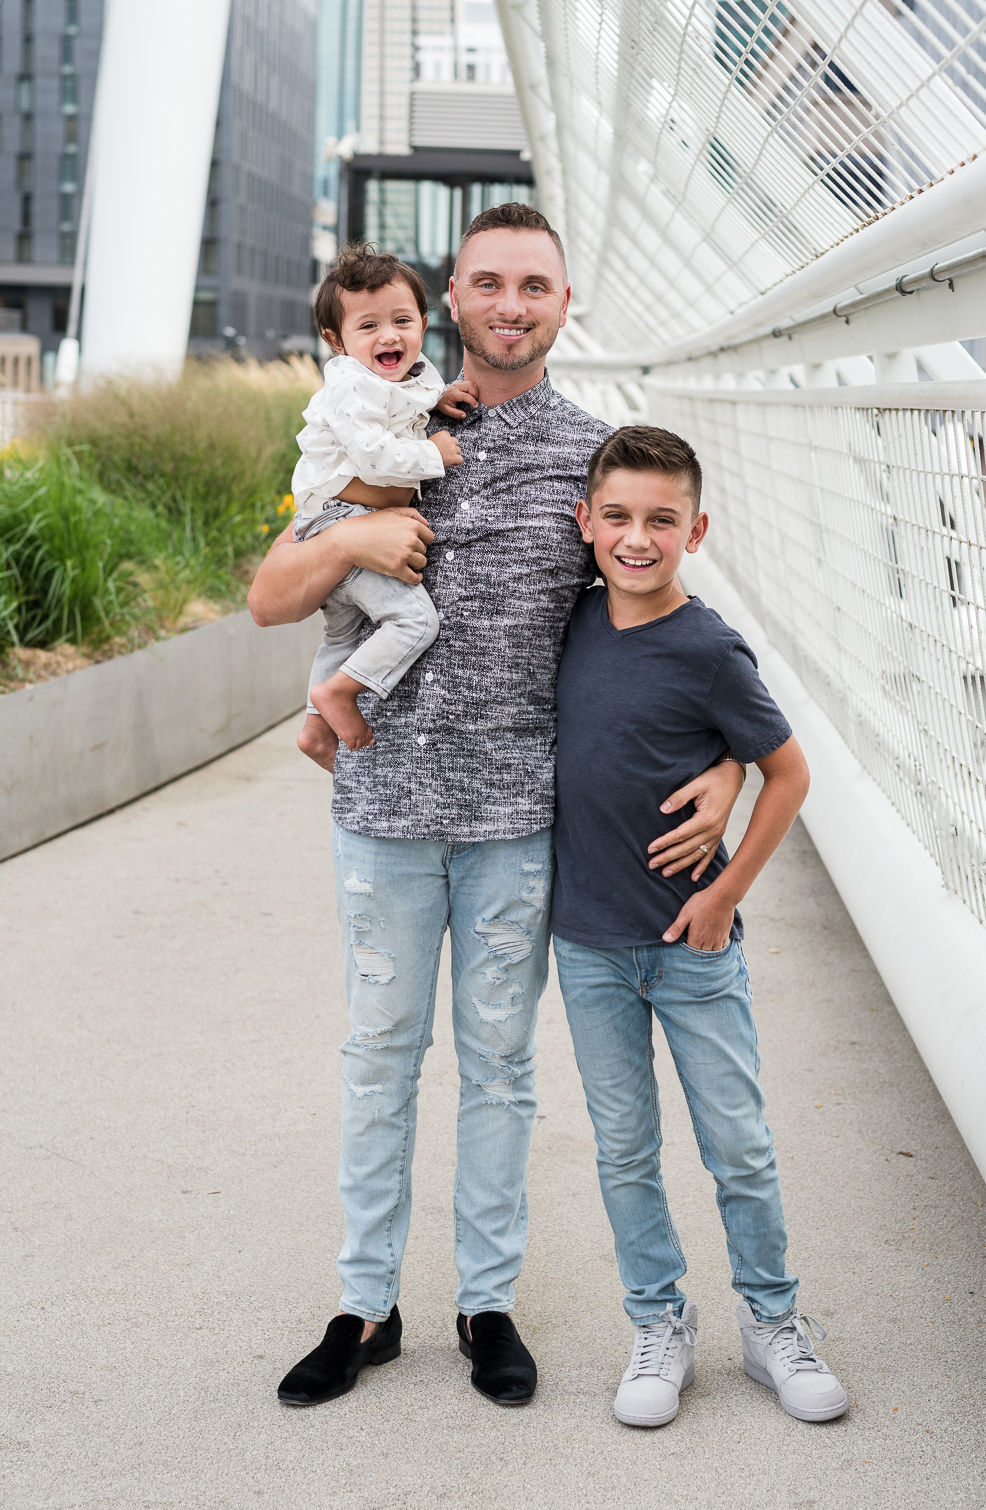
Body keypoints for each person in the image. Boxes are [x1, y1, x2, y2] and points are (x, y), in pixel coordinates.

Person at [247, 204, 744, 1411]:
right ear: (448, 302)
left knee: (501, 1067)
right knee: (379, 1061)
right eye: (488, 283)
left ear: (564, 304)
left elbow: (663, 623)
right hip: (383, 811)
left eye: (536, 285)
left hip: (522, 817)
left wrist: (732, 759)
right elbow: (270, 594)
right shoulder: (381, 425)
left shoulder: (594, 459)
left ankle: (486, 1301)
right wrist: (358, 525)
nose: (511, 304)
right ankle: (365, 1304)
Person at [552, 424, 849, 1428]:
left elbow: (789, 770)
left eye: (662, 521)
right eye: (621, 517)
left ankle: (773, 1321)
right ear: (586, 522)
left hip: (694, 946)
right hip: (588, 943)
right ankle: (657, 1320)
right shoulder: (569, 622)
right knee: (624, 1145)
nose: (639, 538)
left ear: (697, 529)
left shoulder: (710, 646)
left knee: (738, 1143)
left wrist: (725, 896)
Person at [292, 243, 478, 766]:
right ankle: (340, 694)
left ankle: (313, 726)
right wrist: (432, 453)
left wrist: (436, 399)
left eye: (401, 320)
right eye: (368, 326)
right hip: (340, 519)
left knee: (344, 630)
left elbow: (411, 389)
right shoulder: (352, 385)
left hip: (335, 516)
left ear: (423, 321)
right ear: (336, 341)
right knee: (414, 621)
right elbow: (373, 460)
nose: (389, 336)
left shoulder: (404, 374)